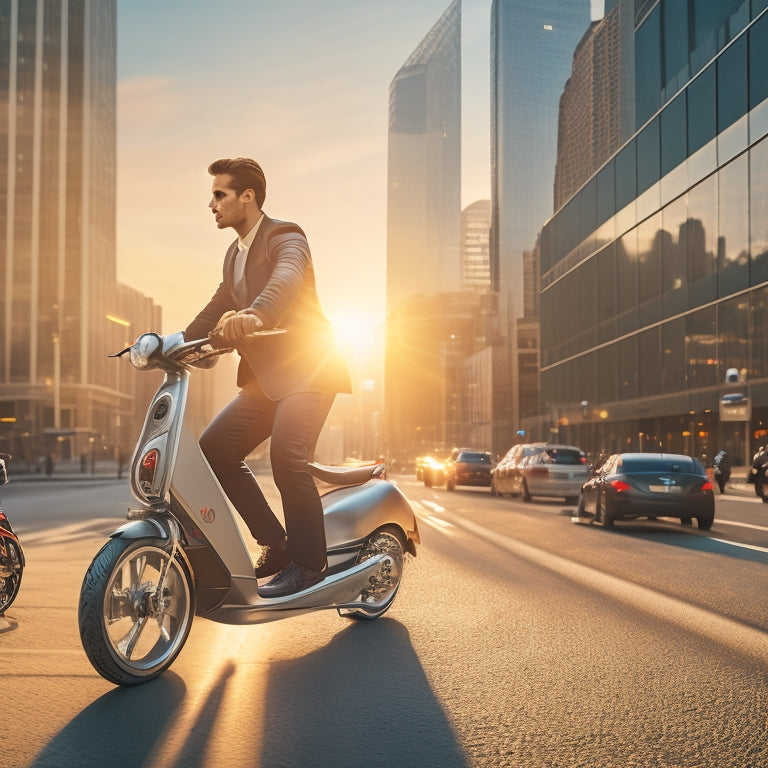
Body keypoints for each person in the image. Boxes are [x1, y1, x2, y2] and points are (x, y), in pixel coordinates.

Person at [183, 157, 351, 598]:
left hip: (311, 369)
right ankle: (277, 544)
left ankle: (309, 565)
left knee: (287, 459)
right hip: (268, 379)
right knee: (215, 449)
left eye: (219, 194)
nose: (212, 204)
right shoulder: (233, 255)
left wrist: (257, 314)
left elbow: (287, 277)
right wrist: (174, 343)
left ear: (247, 197)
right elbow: (216, 306)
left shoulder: (286, 236)